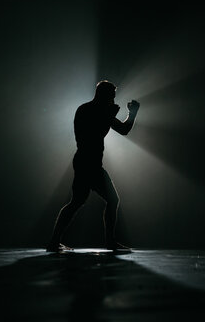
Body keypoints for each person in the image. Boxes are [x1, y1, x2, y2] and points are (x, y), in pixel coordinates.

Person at [46, 80, 140, 252]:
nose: (113, 99)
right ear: (104, 95)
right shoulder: (89, 110)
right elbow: (93, 134)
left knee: (77, 201)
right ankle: (110, 242)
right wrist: (117, 115)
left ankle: (54, 241)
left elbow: (122, 129)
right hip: (88, 162)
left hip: (87, 161)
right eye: (112, 96)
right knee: (110, 200)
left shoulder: (97, 110)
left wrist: (130, 113)